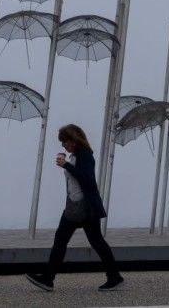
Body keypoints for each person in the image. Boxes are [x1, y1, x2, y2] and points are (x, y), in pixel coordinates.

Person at [26, 123, 124, 292]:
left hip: (85, 207)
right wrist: (67, 165)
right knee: (71, 241)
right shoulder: (75, 155)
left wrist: (66, 165)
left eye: (64, 141)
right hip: (75, 205)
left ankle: (49, 279)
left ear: (73, 140)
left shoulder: (85, 155)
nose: (62, 145)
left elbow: (86, 179)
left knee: (90, 242)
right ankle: (48, 278)